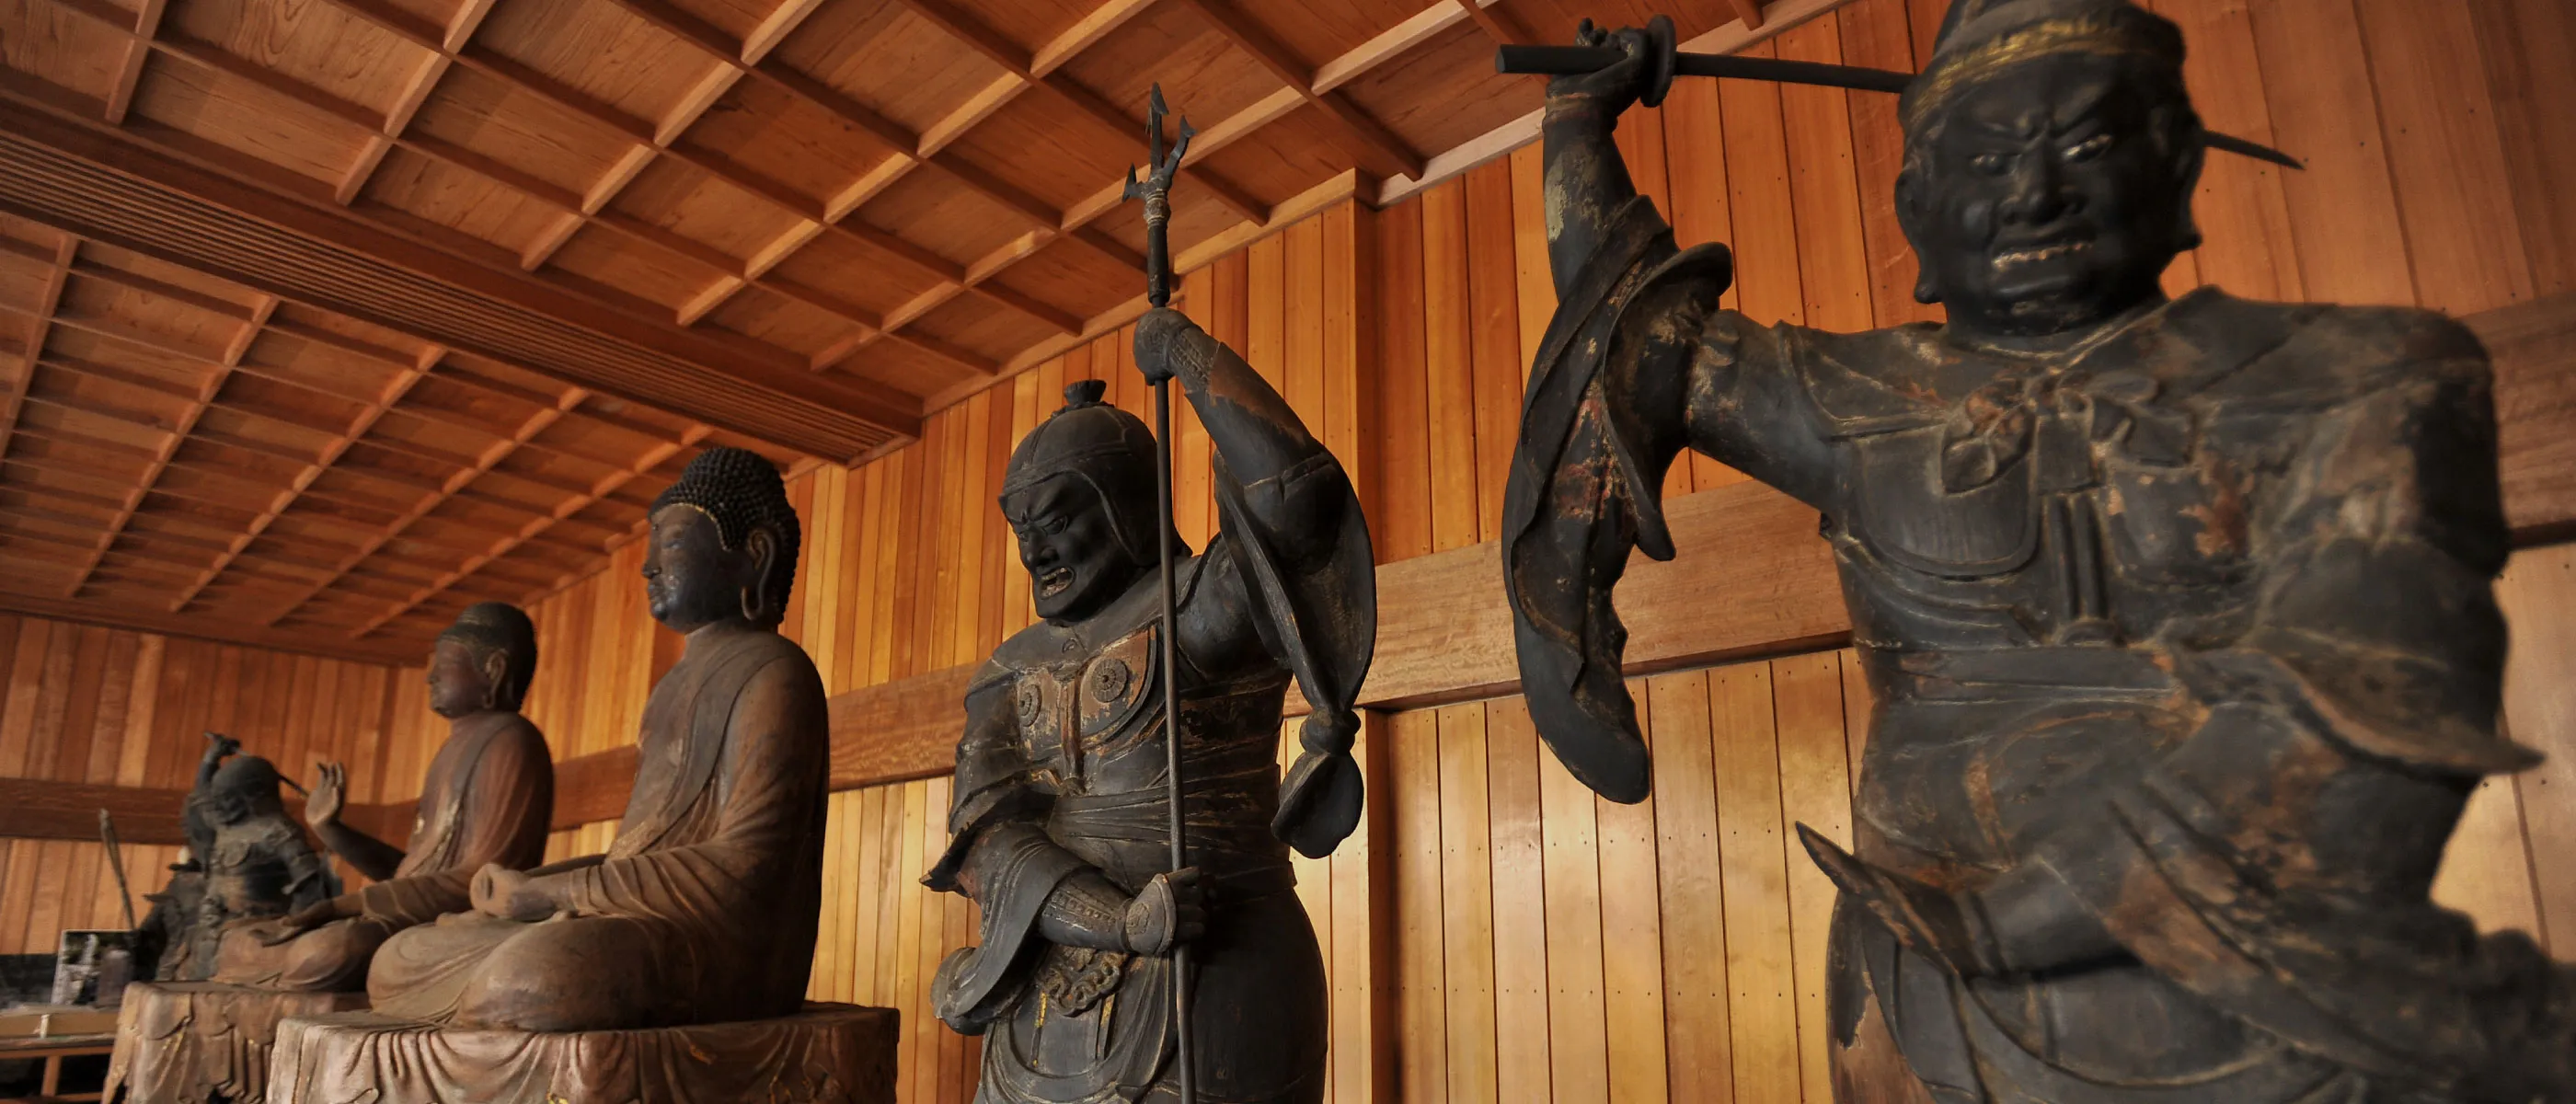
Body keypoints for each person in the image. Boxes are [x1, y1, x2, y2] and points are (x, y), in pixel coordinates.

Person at [1505, 1, 2576, 1099]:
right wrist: (1577, 125)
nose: (2033, 192)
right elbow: (1638, 329)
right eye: (1985, 157)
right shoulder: (1851, 402)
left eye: (2087, 140)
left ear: (2179, 157)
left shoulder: (2362, 378)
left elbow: (2366, 697)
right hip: (1928, 986)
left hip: (2286, 986)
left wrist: (2016, 919)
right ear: (1914, 205)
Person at [926, 309, 1375, 1104]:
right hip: (1042, 979)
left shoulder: (1200, 607)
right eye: (1022, 529)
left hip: (1217, 967)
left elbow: (1297, 504)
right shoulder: (1012, 666)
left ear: (1127, 503)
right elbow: (986, 840)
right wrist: (1113, 920)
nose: (1036, 552)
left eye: (1059, 519)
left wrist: (1187, 355)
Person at [358, 447, 829, 1031]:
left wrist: (557, 896)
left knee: (538, 975)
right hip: (641, 919)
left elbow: (745, 866)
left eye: (673, 543)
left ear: (753, 555)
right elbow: (635, 856)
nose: (648, 566)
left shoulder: (775, 672)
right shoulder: (673, 687)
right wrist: (537, 886)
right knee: (398, 959)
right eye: (651, 546)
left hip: (716, 949)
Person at [211, 602, 553, 993]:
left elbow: (483, 881)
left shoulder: (512, 742)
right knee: (239, 940)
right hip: (410, 914)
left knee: (335, 949)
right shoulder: (452, 749)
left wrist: (349, 905)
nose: (430, 677)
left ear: (493, 669)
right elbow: (408, 870)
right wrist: (331, 829)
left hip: (453, 925)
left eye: (445, 663)